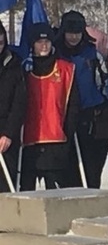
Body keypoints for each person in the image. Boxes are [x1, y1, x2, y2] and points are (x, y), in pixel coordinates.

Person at [55, 11, 108, 188]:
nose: (73, 37)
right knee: (67, 171)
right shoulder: (56, 54)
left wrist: (104, 110)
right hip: (63, 118)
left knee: (91, 170)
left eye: (77, 32)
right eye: (70, 32)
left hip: (90, 119)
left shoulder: (93, 55)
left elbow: (107, 85)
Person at [20, 23, 79, 190]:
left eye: (47, 41)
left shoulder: (66, 69)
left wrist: (68, 131)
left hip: (57, 140)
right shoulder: (24, 70)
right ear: (33, 45)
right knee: (27, 191)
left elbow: (74, 105)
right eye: (39, 42)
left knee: (55, 191)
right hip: (30, 141)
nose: (44, 45)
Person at [0, 19, 26, 192]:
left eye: (0, 43)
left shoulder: (14, 66)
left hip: (5, 135)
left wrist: (8, 134)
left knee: (5, 185)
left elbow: (19, 103)